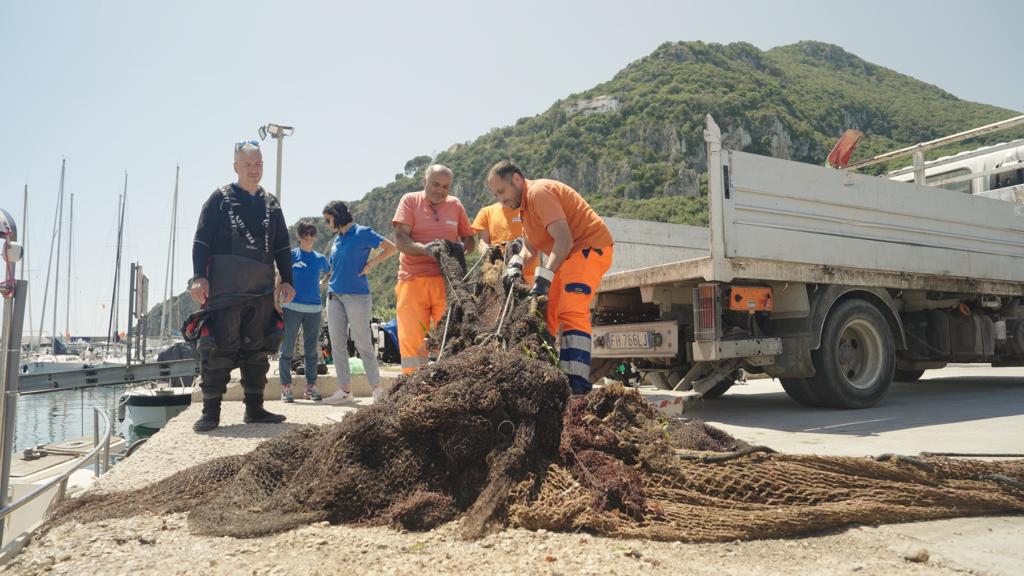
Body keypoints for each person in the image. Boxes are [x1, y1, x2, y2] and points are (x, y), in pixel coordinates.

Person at [188, 140, 295, 432]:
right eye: (248, 164)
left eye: (258, 163)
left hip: (261, 290)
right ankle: (210, 412)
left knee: (257, 350)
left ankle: (255, 409)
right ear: (235, 166)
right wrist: (199, 277)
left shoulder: (271, 203)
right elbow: (201, 241)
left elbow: (282, 245)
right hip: (225, 289)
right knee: (218, 349)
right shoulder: (219, 199)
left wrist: (287, 279)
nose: (254, 169)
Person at [487, 160, 613, 395]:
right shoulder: (525, 209)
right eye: (496, 195)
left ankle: (576, 385)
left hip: (587, 249)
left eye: (502, 191)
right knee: (547, 314)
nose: (500, 200)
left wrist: (544, 279)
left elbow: (564, 240)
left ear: (517, 179)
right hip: (569, 258)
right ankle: (549, 376)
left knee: (571, 311)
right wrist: (516, 264)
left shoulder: (539, 193)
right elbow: (530, 248)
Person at [391, 164, 475, 373]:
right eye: (435, 184)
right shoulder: (410, 201)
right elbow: (401, 239)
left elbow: (469, 239)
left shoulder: (455, 205)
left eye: (445, 187)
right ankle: (411, 382)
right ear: (424, 181)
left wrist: (461, 248)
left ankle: (448, 381)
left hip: (447, 283)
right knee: (412, 341)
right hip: (412, 281)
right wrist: (425, 250)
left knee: (450, 336)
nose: (440, 190)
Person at [321, 200, 397, 404]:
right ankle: (345, 391)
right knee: (337, 345)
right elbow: (336, 266)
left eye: (328, 220)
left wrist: (371, 264)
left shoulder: (362, 232)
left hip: (357, 296)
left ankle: (377, 389)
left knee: (363, 342)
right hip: (334, 296)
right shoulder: (337, 239)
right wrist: (326, 278)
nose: (327, 225)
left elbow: (391, 248)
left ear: (337, 216)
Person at [278, 219, 330, 403]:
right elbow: (280, 277)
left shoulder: (320, 258)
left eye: (312, 233)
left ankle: (310, 387)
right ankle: (286, 388)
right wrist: (276, 300)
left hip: (314, 309)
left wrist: (322, 282)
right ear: (299, 236)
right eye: (305, 233)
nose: (309, 236)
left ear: (315, 236)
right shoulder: (291, 255)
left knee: (311, 350)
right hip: (291, 306)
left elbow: (329, 272)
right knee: (287, 348)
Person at [471, 201, 538, 285]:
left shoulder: (528, 210)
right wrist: (487, 251)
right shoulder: (486, 212)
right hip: (497, 276)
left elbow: (534, 244)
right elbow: (483, 242)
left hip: (528, 275)